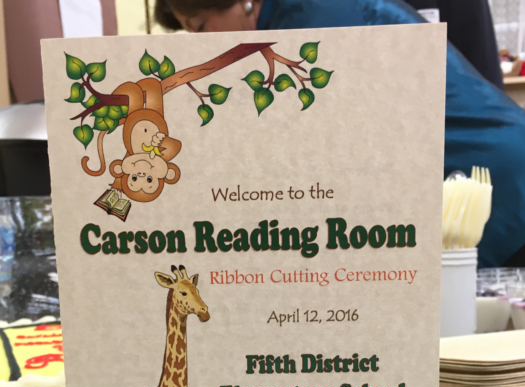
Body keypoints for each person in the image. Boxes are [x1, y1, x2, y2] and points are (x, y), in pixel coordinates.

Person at [155, 0, 525, 268]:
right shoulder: (294, 20)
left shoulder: (309, 27)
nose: (202, 44)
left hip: (495, 184)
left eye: (199, 26)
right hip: (487, 173)